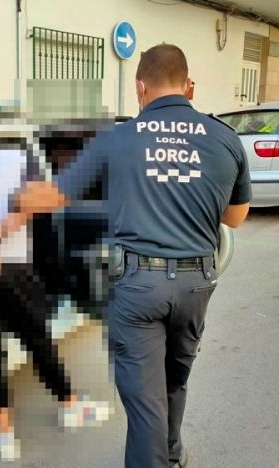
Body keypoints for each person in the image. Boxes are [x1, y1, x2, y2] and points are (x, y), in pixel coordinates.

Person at [57, 44, 251, 468]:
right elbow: (236, 218)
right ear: (190, 87)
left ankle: (158, 455)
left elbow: (62, 197)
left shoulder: (116, 139)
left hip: (138, 286)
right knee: (175, 378)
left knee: (145, 402)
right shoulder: (225, 138)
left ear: (140, 87)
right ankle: (173, 452)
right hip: (197, 281)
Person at [0, 129, 111, 461]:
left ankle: (3, 432)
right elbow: (29, 207)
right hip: (13, 263)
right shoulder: (18, 159)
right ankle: (70, 405)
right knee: (37, 339)